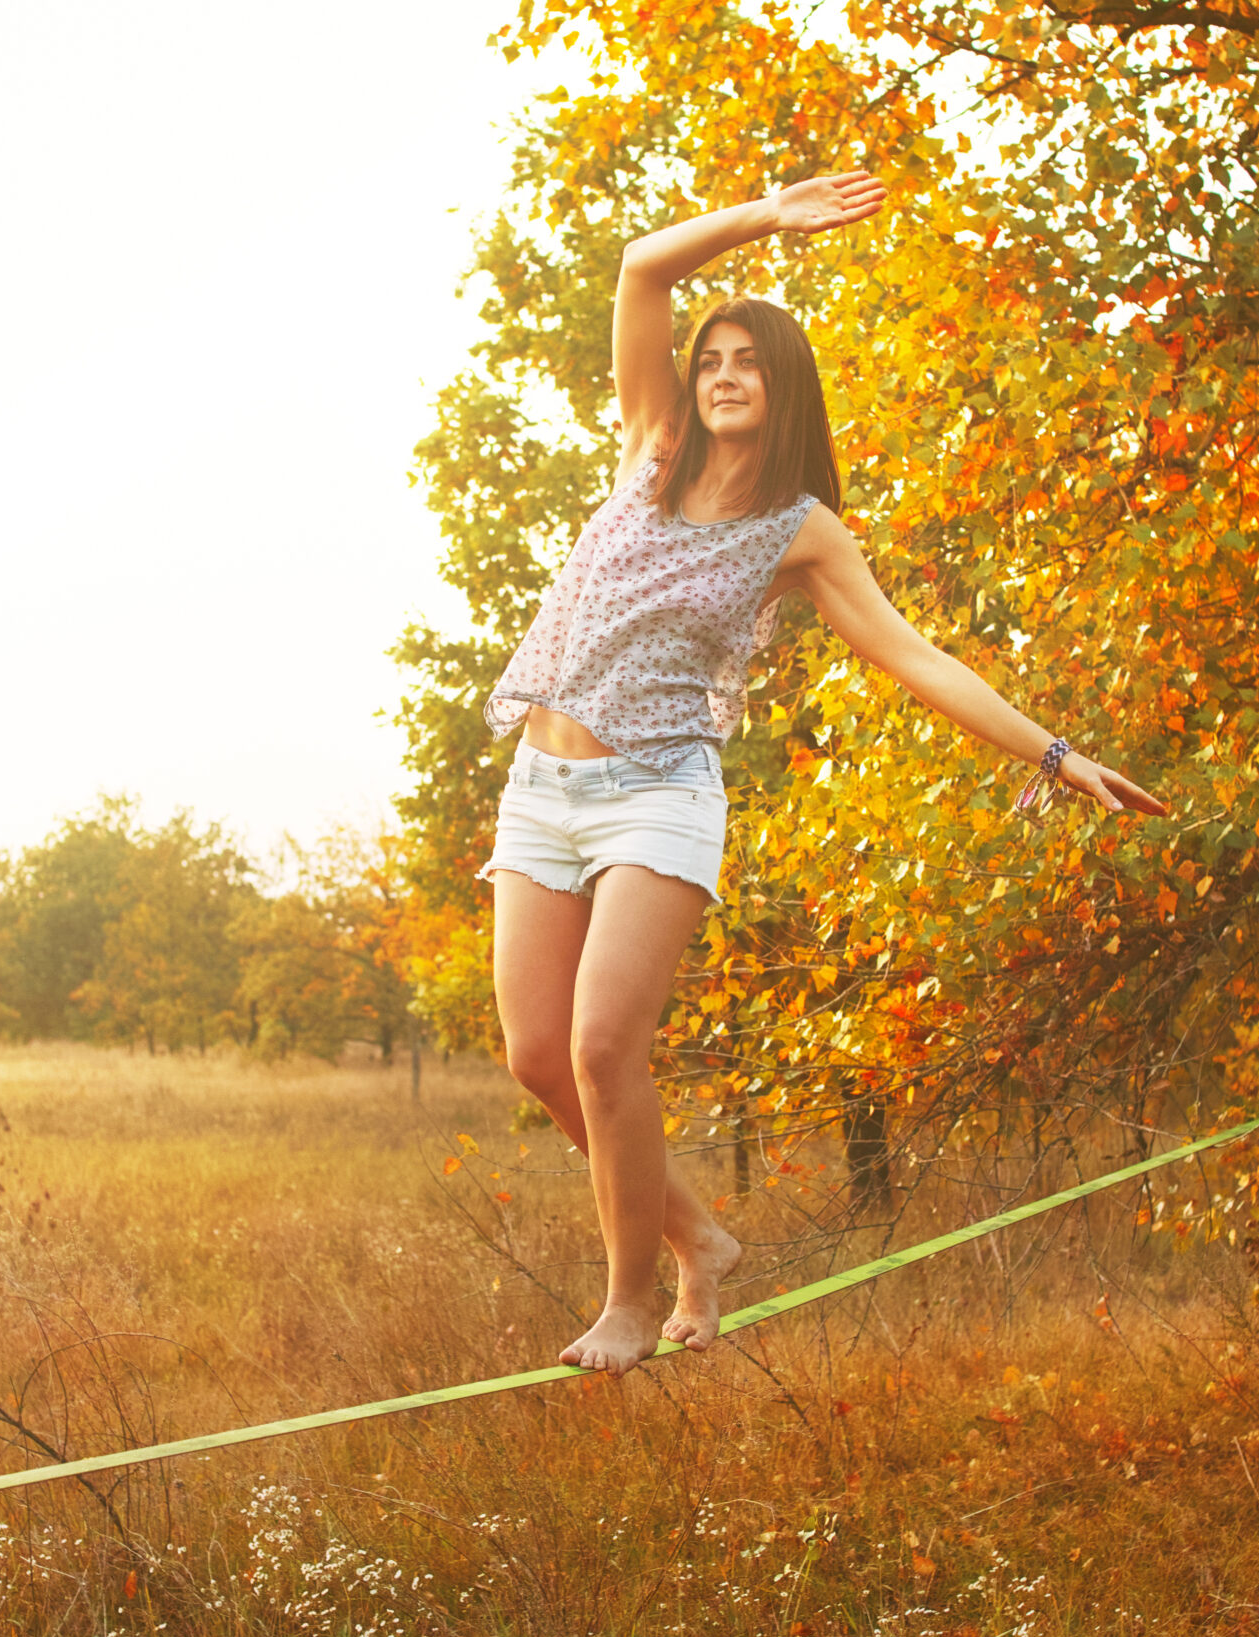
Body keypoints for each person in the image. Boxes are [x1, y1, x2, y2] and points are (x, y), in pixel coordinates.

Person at [481, 170, 1170, 1376]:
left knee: (601, 1050)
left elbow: (917, 658)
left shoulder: (799, 530)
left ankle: (630, 1300)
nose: (722, 373)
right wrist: (761, 217)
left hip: (660, 795)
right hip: (541, 789)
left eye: (748, 359)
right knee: (538, 1061)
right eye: (710, 358)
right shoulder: (646, 449)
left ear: (783, 384)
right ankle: (698, 1235)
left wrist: (1054, 755)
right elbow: (645, 267)